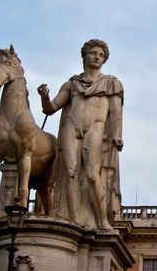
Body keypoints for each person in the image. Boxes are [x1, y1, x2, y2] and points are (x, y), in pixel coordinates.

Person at [38, 39, 123, 230]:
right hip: (72, 126)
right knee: (69, 173)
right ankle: (73, 221)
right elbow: (51, 108)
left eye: (101, 55)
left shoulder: (111, 84)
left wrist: (117, 134)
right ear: (84, 55)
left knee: (93, 175)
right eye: (93, 53)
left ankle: (101, 220)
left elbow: (116, 113)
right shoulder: (72, 84)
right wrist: (44, 97)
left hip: (96, 128)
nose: (97, 57)